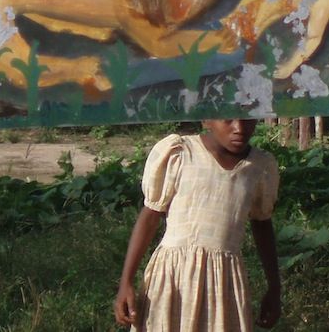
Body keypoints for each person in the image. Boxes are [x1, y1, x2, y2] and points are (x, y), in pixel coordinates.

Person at [114, 119, 282, 331]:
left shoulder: (260, 166)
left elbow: (262, 224)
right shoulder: (180, 153)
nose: (239, 128)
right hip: (173, 278)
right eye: (228, 119)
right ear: (207, 119)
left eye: (247, 119)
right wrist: (126, 282)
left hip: (223, 282)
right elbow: (150, 216)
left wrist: (274, 288)